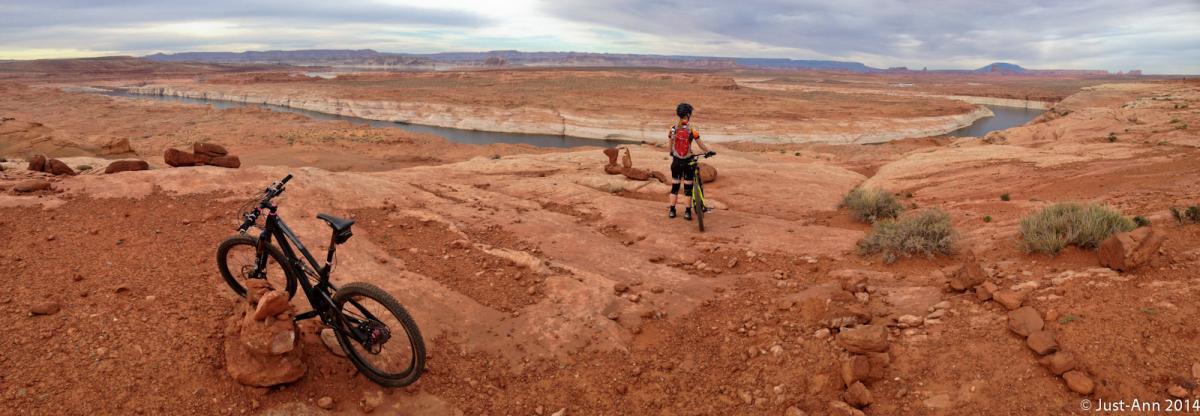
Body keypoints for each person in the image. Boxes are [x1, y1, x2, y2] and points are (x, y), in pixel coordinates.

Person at [667, 102, 715, 220]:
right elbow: (701, 145)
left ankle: (672, 211)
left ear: (679, 114)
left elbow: (670, 144)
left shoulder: (673, 129)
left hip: (676, 162)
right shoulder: (692, 130)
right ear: (688, 115)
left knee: (675, 188)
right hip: (688, 162)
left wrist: (672, 153)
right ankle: (687, 212)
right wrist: (709, 151)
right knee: (688, 189)